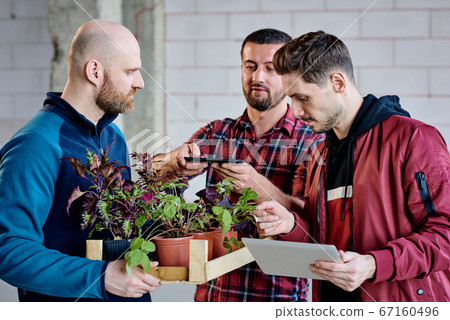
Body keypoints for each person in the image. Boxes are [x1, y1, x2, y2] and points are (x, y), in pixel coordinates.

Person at [255, 30, 450, 302]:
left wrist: (372, 264)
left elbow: (445, 235)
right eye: (291, 100)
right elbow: (322, 239)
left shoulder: (415, 139)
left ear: (337, 82)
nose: (296, 112)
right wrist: (289, 225)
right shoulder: (319, 153)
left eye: (303, 98)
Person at [156, 29, 323, 302]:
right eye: (250, 66)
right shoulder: (219, 132)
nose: (258, 77)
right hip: (213, 297)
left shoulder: (311, 142)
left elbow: (314, 222)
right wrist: (175, 162)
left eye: (270, 69)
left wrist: (260, 187)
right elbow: (153, 179)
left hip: (275, 299)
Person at [0, 20, 161, 302]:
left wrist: (171, 179)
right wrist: (100, 277)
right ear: (95, 71)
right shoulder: (36, 144)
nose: (140, 82)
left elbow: (122, 226)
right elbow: (8, 249)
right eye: (131, 71)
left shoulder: (113, 136)